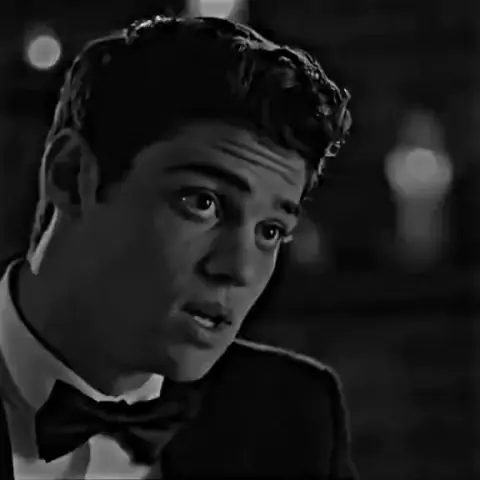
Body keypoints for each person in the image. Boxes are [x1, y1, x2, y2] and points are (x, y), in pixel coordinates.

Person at [0, 14, 357, 479]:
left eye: (270, 231)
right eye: (202, 202)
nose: (240, 268)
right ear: (71, 177)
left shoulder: (292, 415)